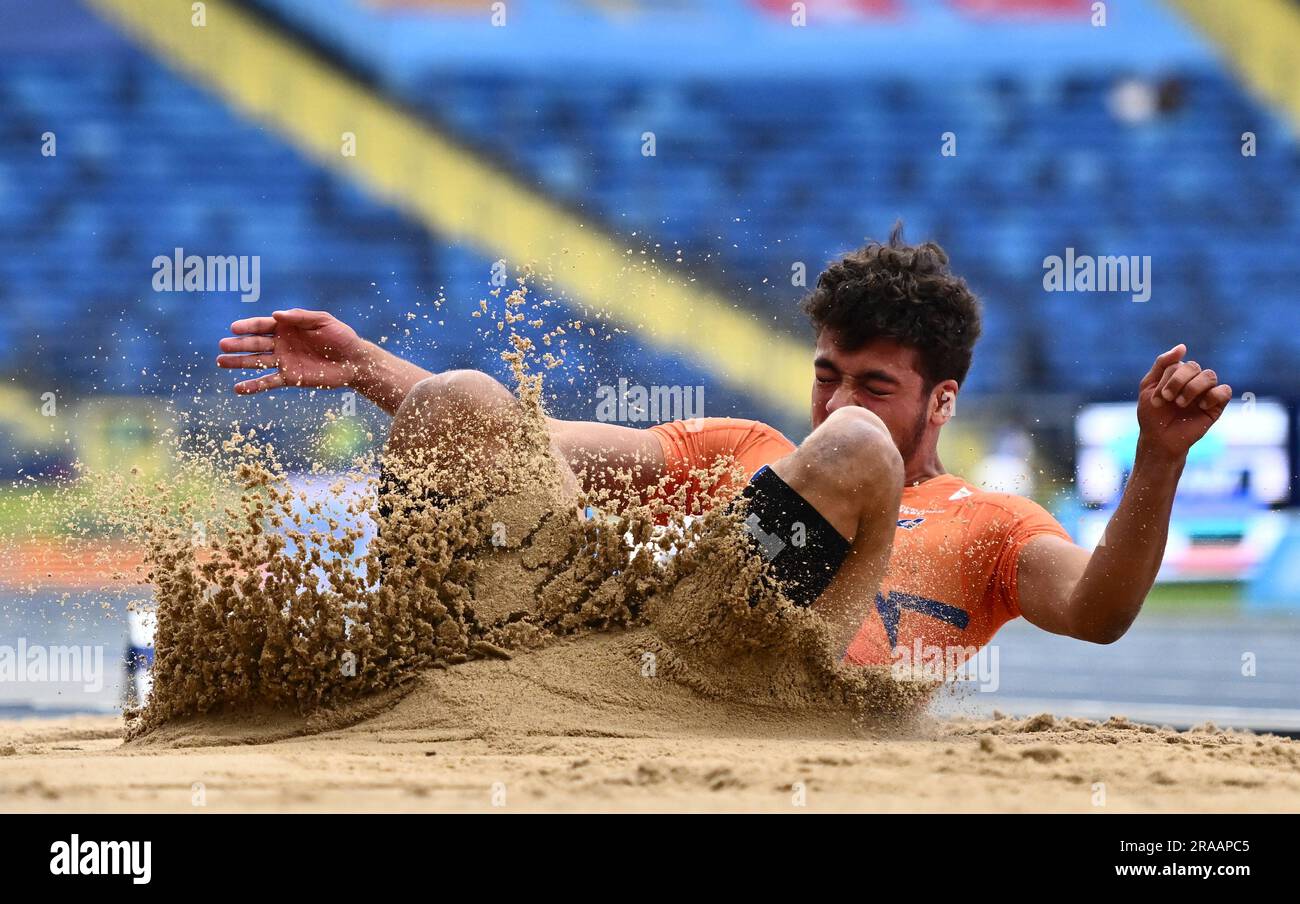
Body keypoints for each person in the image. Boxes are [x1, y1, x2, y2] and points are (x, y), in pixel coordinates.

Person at [215, 226, 1232, 665]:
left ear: (942, 400)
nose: (837, 399)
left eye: (873, 385)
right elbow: (525, 445)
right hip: (641, 657)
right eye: (828, 373)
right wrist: (364, 366)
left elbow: (1097, 613)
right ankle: (400, 663)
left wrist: (1159, 457)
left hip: (786, 695)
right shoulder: (737, 445)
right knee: (462, 395)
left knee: (853, 459)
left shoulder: (991, 522)